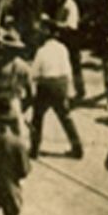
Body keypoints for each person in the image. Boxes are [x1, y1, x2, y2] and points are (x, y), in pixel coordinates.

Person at [29, 22, 84, 160]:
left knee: (37, 118)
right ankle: (78, 149)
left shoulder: (41, 51)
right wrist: (68, 90)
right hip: (62, 84)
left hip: (47, 86)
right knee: (65, 118)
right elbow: (68, 70)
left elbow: (34, 73)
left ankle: (34, 150)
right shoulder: (63, 49)